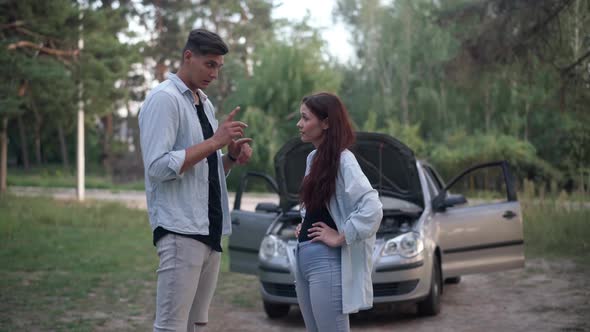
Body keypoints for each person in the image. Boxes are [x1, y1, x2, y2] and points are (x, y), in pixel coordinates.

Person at [138, 28, 252, 332]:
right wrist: (214, 142)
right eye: (209, 64)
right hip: (179, 231)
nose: (214, 74)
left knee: (197, 326)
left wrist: (228, 157)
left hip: (209, 231)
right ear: (188, 56)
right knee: (171, 327)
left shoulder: (204, 103)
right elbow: (157, 167)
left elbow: (203, 171)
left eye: (218, 67)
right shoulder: (164, 99)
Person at [294, 92, 383, 332]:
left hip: (325, 262)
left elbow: (372, 207)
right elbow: (322, 205)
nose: (299, 124)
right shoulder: (313, 158)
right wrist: (305, 223)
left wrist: (341, 235)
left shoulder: (344, 159)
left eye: (305, 118)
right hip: (304, 257)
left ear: (326, 123)